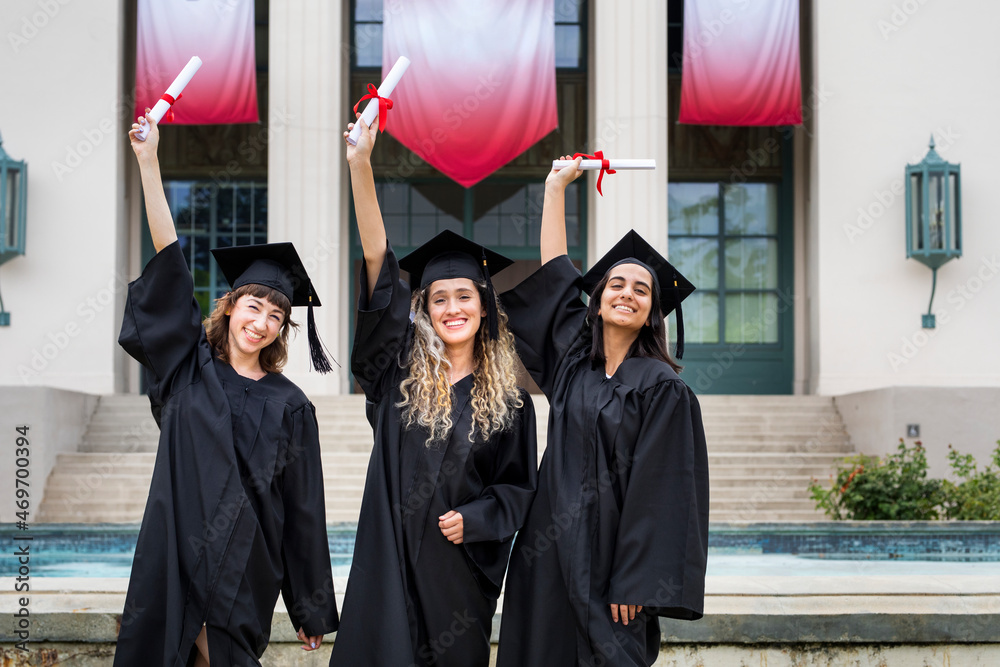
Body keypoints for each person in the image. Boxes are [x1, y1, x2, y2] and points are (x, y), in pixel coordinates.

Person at [114, 112, 339, 667]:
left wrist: (309, 608)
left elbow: (303, 510)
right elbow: (170, 264)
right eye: (253, 306)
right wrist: (149, 162)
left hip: (243, 562)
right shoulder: (188, 369)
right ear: (231, 306)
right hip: (173, 548)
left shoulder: (291, 407)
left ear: (282, 329)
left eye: (275, 315)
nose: (260, 322)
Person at [329, 117, 538, 667]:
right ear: (423, 309)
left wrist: (479, 518)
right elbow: (379, 267)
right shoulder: (397, 377)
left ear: (485, 305)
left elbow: (519, 489)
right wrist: (360, 165)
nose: (452, 308)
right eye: (438, 298)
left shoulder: (512, 404)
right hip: (391, 568)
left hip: (457, 578)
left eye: (464, 295)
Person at [495, 156, 709, 666]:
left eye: (641, 289)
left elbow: (664, 490)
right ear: (596, 299)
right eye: (616, 284)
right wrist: (554, 189)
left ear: (653, 311)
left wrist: (636, 578)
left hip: (614, 566)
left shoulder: (663, 390)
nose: (627, 294)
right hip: (546, 554)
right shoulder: (574, 366)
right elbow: (554, 277)